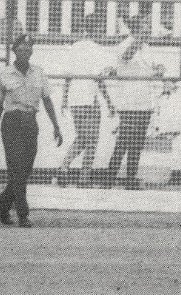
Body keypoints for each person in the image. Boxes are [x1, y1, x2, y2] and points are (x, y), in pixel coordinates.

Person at [0, 34, 63, 227]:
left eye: (28, 48)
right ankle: (23, 214)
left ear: (32, 51)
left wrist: (56, 125)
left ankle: (2, 204)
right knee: (16, 168)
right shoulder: (3, 75)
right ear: (14, 51)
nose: (25, 52)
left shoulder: (38, 73)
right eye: (21, 49)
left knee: (25, 169)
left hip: (30, 123)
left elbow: (47, 100)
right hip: (12, 122)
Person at [102, 15, 165, 190]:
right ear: (135, 28)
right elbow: (127, 56)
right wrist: (138, 39)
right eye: (144, 25)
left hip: (145, 102)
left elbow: (157, 66)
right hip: (128, 103)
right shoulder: (124, 44)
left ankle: (131, 178)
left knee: (137, 143)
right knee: (123, 141)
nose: (147, 29)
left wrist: (160, 68)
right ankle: (109, 178)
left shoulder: (148, 48)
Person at [56, 13, 115, 188]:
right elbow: (99, 79)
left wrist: (65, 99)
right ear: (95, 28)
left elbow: (67, 76)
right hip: (90, 97)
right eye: (100, 28)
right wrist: (109, 102)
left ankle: (64, 167)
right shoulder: (98, 49)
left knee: (83, 137)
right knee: (92, 139)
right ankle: (83, 178)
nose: (101, 32)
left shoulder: (75, 47)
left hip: (75, 97)